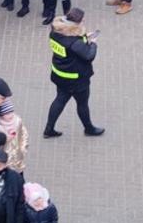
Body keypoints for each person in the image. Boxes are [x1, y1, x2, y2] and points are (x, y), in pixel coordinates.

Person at [44, 8, 104, 138]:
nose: (84, 21)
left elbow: (70, 46)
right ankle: (89, 129)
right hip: (76, 80)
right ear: (75, 24)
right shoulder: (74, 43)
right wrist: (93, 44)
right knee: (82, 104)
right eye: (82, 20)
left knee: (59, 100)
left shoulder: (55, 32)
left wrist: (84, 37)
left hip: (59, 74)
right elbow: (88, 56)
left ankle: (48, 129)